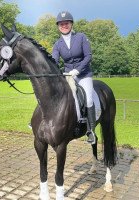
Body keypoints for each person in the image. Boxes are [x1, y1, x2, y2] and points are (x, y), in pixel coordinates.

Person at [52, 11, 96, 144]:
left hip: (83, 75)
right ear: (58, 26)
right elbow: (54, 60)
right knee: (53, 94)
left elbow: (88, 56)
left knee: (88, 99)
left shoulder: (81, 37)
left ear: (71, 24)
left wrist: (78, 70)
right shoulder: (57, 44)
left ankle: (91, 131)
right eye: (61, 24)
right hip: (67, 76)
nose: (64, 25)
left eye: (66, 23)